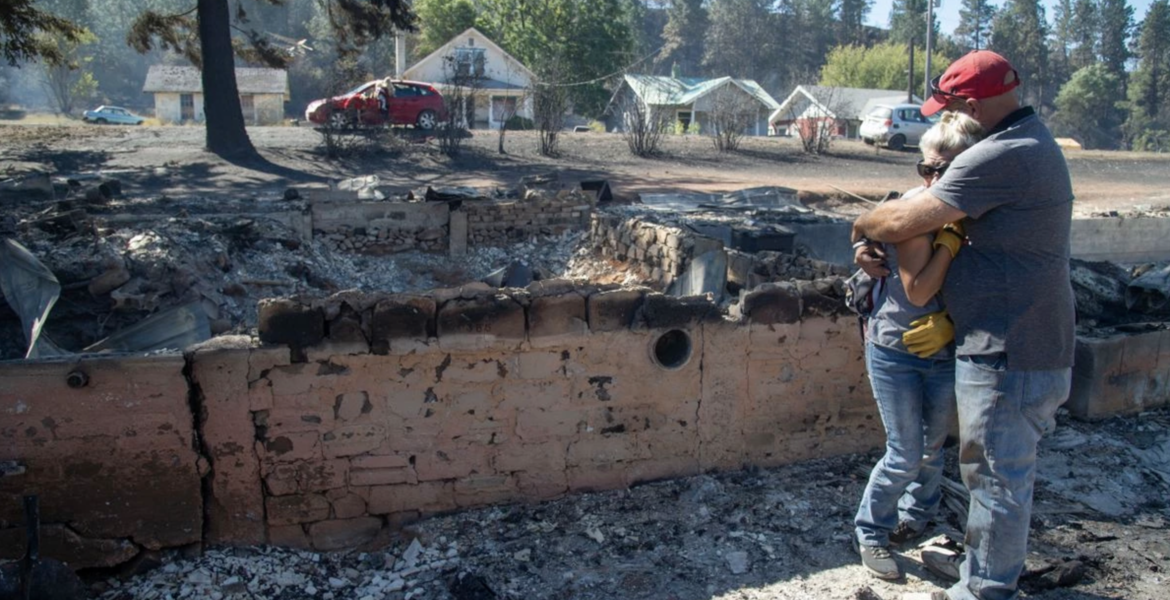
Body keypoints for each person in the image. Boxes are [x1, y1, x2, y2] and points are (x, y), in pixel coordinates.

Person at [852, 50, 1076, 600]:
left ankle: (983, 590)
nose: (941, 118)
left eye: (949, 107)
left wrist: (862, 223)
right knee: (991, 475)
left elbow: (901, 220)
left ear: (972, 104)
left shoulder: (998, 155)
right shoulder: (1030, 142)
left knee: (995, 479)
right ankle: (984, 576)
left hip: (1008, 351)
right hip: (1020, 344)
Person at [853, 112, 984, 581]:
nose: (932, 181)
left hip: (947, 351)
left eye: (943, 171)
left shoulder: (984, 214)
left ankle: (918, 516)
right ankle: (871, 530)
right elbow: (917, 292)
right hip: (895, 349)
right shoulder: (918, 210)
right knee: (905, 451)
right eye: (925, 170)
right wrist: (949, 239)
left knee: (932, 446)